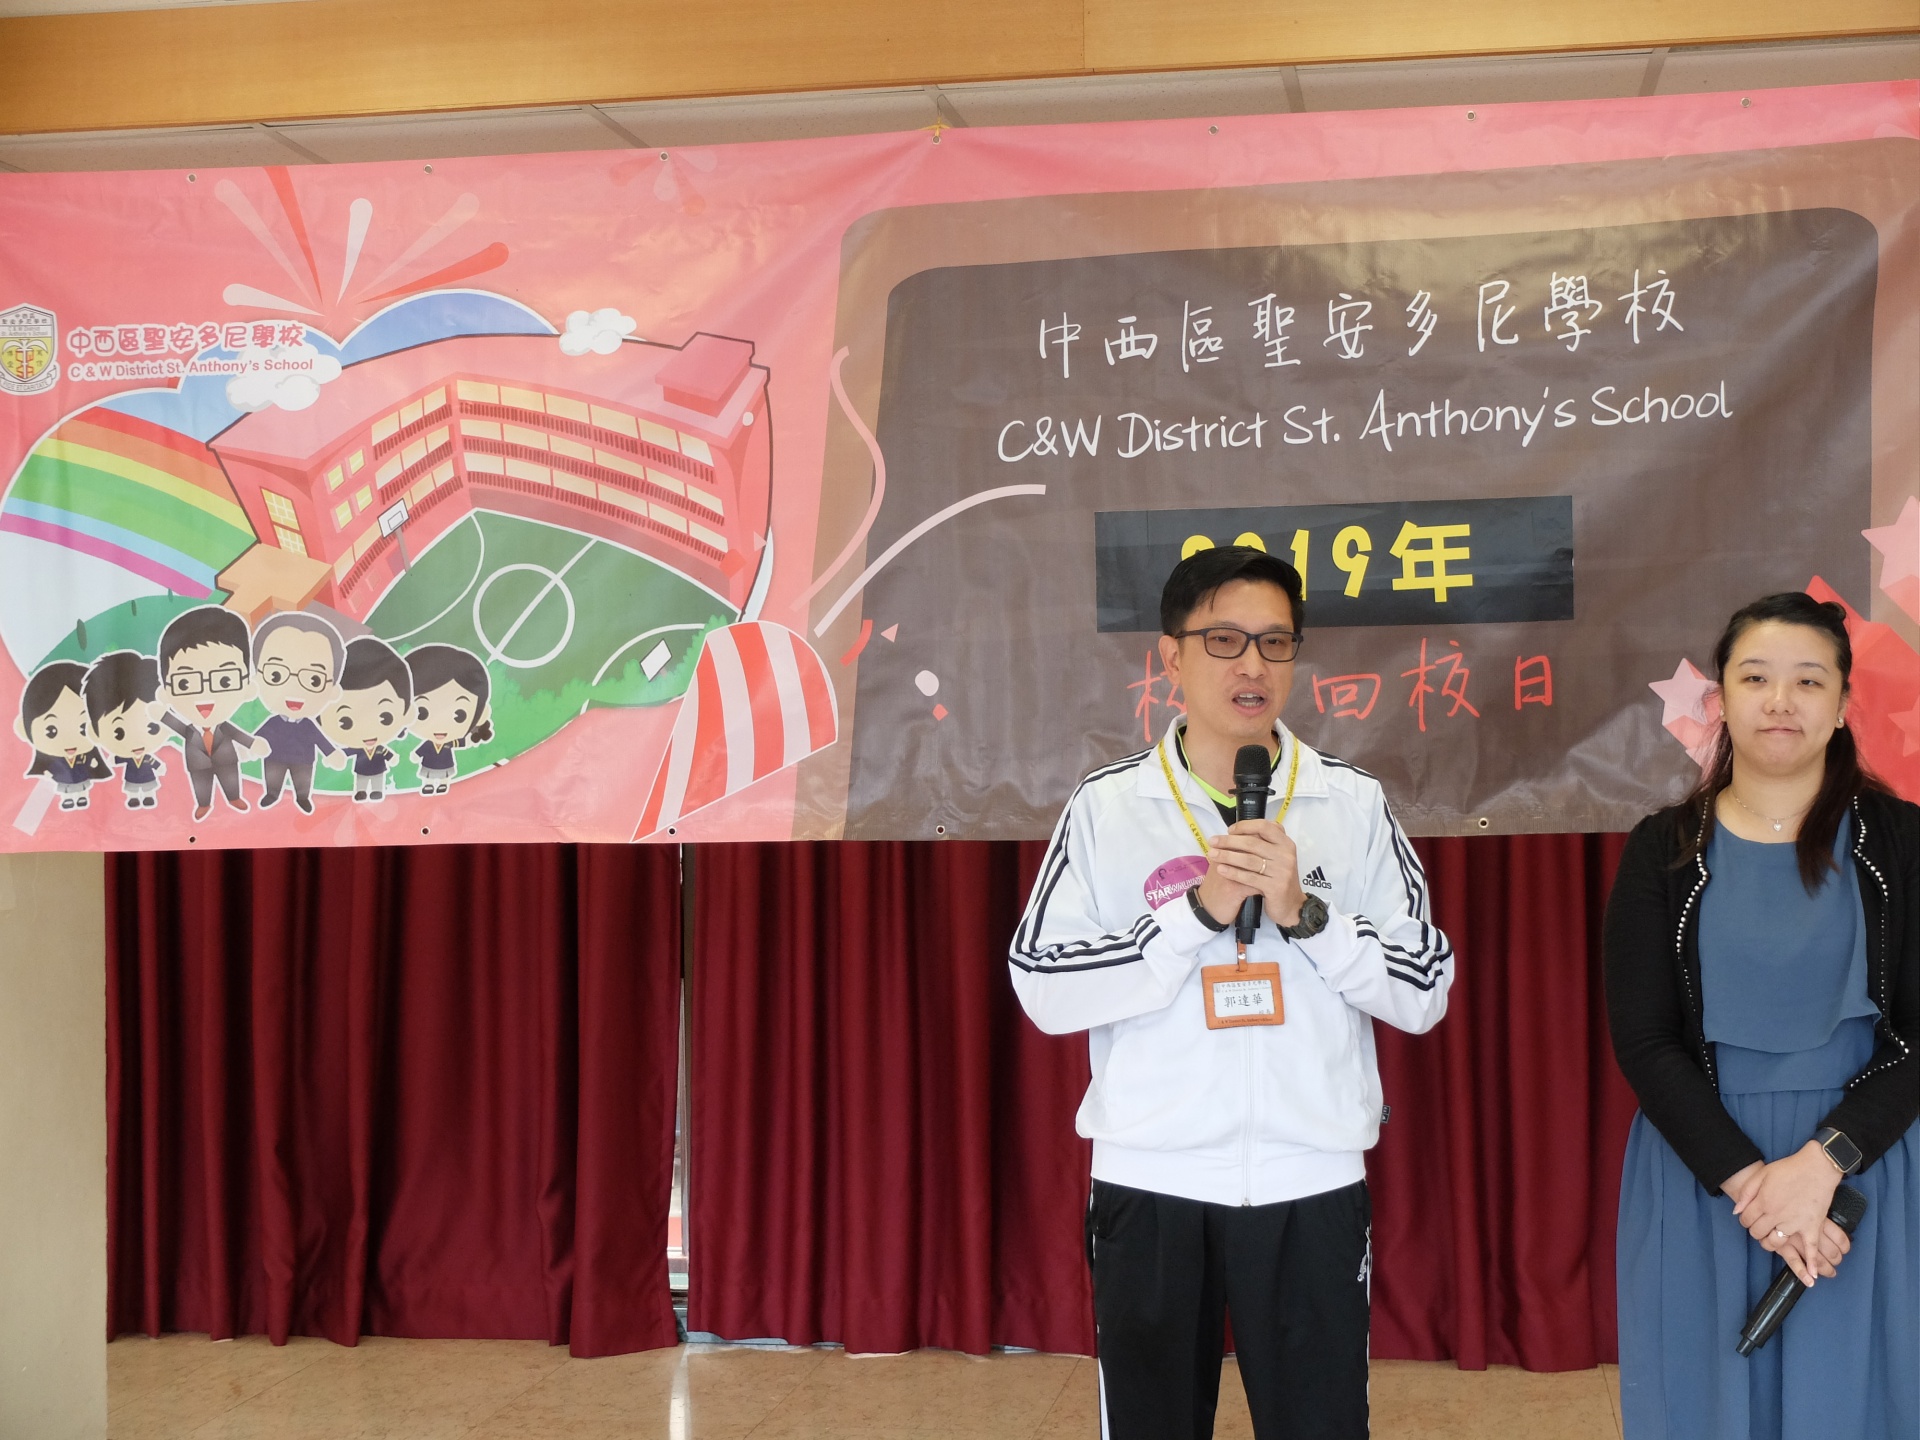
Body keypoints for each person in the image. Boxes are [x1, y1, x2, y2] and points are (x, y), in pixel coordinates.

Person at [1009, 544, 1453, 1440]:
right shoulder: (1108, 806)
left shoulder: (1349, 803)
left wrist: (1308, 916)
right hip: (1150, 1179)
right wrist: (1193, 915)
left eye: (1275, 642)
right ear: (1170, 658)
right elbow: (1044, 983)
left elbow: (1423, 986)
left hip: (1311, 1179)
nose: (1252, 665)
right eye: (1224, 640)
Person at [1605, 592, 1918, 1439]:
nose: (1781, 701)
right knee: (1704, 1408)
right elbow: (1644, 1038)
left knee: (1861, 1407)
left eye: (1809, 681)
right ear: (1721, 699)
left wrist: (1822, 1166)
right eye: (1755, 678)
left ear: (1843, 704)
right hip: (1703, 1169)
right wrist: (1756, 1187)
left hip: (1864, 1170)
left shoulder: (1902, 842)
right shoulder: (1661, 848)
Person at [155, 604, 263, 820]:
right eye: (185, 683)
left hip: (227, 760)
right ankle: (203, 804)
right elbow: (178, 726)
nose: (206, 694)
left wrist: (252, 744)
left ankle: (234, 798)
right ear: (166, 690)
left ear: (247, 685)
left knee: (231, 780)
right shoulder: (190, 730)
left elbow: (237, 734)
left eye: (225, 680)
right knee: (201, 785)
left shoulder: (224, 727)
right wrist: (162, 716)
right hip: (198, 764)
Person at [251, 610, 346, 814]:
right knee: (273, 778)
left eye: (314, 679)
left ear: (332, 690)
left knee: (303, 781)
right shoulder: (273, 722)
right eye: (276, 675)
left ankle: (303, 798)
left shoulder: (309, 725)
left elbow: (321, 740)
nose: (295, 687)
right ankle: (272, 794)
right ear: (258, 678)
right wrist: (250, 747)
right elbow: (259, 738)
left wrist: (331, 753)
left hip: (303, 759)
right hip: (274, 757)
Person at [320, 636, 411, 803]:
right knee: (361, 781)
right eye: (345, 722)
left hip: (378, 769)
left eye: (385, 717)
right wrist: (334, 755)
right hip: (362, 770)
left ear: (407, 712)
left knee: (378, 782)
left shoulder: (379, 748)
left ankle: (376, 791)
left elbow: (387, 753)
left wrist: (392, 757)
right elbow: (347, 752)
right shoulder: (358, 748)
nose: (367, 728)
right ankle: (361, 791)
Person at [16, 660, 111, 810]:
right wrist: (48, 773)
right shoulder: (53, 760)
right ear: (23, 728)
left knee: (82, 790)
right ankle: (68, 799)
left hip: (83, 781)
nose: (70, 740)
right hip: (62, 782)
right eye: (51, 730)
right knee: (65, 791)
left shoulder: (84, 757)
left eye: (83, 728)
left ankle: (81, 797)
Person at [405, 643, 494, 796]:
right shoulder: (430, 744)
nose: (439, 724)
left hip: (446, 765)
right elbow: (420, 751)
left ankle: (442, 785)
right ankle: (429, 785)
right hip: (430, 765)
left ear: (481, 714)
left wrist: (470, 740)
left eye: (460, 715)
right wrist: (416, 755)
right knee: (429, 776)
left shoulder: (449, 742)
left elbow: (462, 743)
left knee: (445, 777)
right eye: (422, 713)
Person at [83, 650, 167, 808]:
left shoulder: (148, 758)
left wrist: (159, 767)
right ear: (94, 733)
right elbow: (117, 759)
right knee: (132, 789)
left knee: (148, 788)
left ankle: (148, 797)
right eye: (118, 733)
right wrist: (112, 760)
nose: (136, 740)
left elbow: (154, 763)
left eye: (152, 727)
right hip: (132, 779)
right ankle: (134, 798)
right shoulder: (130, 758)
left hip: (147, 777)